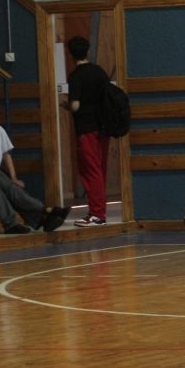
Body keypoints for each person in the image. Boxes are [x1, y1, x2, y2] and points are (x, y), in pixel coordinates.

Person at [62, 35, 110, 226]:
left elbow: (75, 106)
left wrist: (65, 105)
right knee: (100, 169)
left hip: (86, 127)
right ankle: (99, 212)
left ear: (70, 54)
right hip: (103, 126)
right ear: (88, 51)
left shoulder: (76, 76)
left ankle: (97, 214)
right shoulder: (100, 72)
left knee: (91, 171)